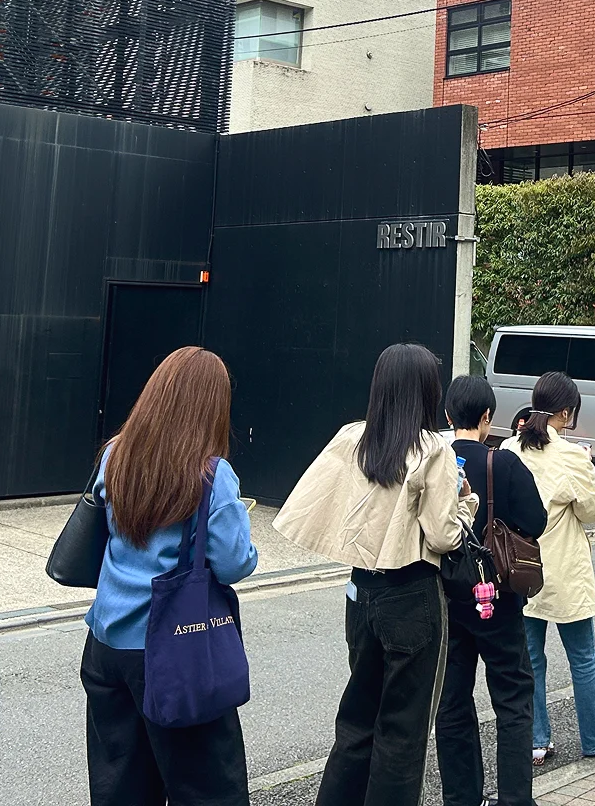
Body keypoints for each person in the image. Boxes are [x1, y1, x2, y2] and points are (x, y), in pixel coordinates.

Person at [275, 343, 477, 806]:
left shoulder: (352, 438)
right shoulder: (433, 450)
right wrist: (467, 502)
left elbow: (320, 499)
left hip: (360, 590)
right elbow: (444, 537)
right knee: (403, 730)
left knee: (356, 720)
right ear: (427, 391)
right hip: (412, 594)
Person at [84, 347, 259, 805]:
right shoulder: (212, 475)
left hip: (105, 647)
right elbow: (235, 562)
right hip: (174, 652)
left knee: (120, 791)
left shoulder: (115, 454)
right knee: (208, 790)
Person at [502, 373, 595, 763]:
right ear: (565, 412)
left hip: (520, 570)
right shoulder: (572, 456)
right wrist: (587, 468)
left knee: (530, 660)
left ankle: (536, 740)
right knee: (582, 657)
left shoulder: (509, 448)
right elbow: (592, 511)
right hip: (563, 571)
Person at [435, 376, 547, 806]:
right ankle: (515, 799)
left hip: (445, 598)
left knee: (451, 702)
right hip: (497, 597)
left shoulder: (434, 461)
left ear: (448, 416)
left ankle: (462, 797)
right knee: (513, 699)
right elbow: (536, 521)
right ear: (487, 417)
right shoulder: (503, 463)